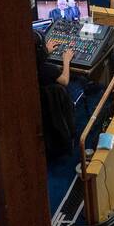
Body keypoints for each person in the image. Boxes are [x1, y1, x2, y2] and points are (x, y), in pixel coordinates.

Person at [34, 29, 77, 158]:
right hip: (53, 107)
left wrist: (45, 51)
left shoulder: (25, 66)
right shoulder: (49, 70)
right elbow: (64, 80)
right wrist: (66, 60)